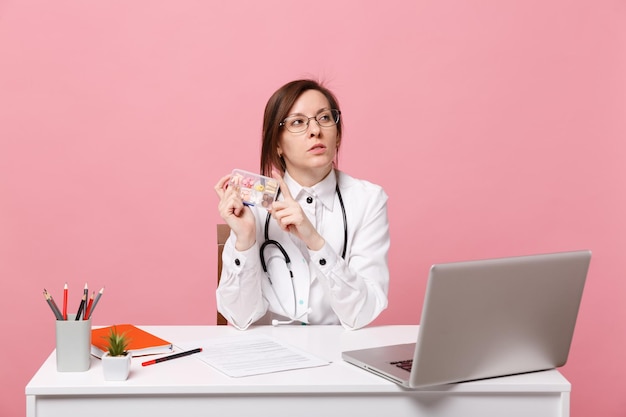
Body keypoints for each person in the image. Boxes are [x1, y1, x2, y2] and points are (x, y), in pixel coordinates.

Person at [214, 79, 390, 330]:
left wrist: (315, 241)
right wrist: (245, 239)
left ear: (338, 135)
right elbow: (239, 317)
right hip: (268, 356)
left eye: (325, 118)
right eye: (298, 122)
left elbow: (362, 313)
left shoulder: (367, 200)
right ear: (277, 144)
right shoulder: (253, 203)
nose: (315, 130)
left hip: (335, 354)